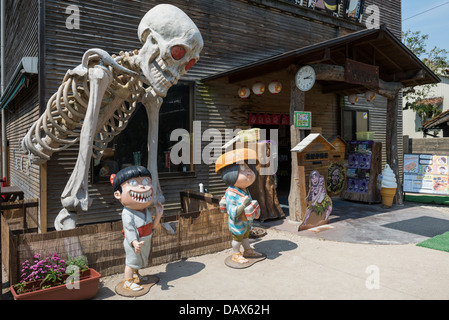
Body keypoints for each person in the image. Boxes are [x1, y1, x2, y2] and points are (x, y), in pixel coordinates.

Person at [111, 166, 163, 292]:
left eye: (146, 182)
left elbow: (152, 227)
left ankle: (136, 275)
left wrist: (158, 215)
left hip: (145, 239)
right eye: (133, 183)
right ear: (118, 194)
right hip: (134, 242)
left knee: (139, 261)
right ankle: (128, 282)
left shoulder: (145, 210)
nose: (142, 187)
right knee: (131, 262)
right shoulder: (127, 213)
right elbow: (129, 230)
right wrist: (134, 242)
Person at [215, 148, 263, 264]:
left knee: (245, 236)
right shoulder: (231, 193)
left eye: (249, 168)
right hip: (237, 223)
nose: (249, 172)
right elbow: (232, 212)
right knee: (237, 239)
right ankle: (236, 254)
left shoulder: (244, 190)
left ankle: (247, 250)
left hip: (246, 222)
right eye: (242, 168)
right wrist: (243, 204)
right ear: (229, 173)